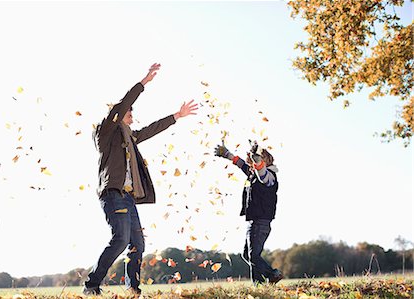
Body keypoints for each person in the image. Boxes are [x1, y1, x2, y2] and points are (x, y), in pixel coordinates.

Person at [83, 63, 198, 296]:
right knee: (120, 239)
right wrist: (144, 83)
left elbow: (151, 130)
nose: (133, 118)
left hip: (127, 197)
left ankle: (132, 289)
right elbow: (123, 104)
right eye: (130, 114)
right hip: (113, 194)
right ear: (118, 116)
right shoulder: (106, 134)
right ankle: (91, 285)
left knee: (137, 243)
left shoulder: (129, 138)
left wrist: (177, 115)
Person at [214, 140, 283, 285]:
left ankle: (272, 274)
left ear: (263, 161)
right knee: (248, 255)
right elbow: (242, 166)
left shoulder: (270, 176)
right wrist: (228, 155)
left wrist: (258, 163)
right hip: (255, 221)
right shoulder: (253, 174)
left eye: (255, 162)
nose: (251, 164)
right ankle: (258, 285)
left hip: (260, 222)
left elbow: (263, 175)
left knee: (253, 256)